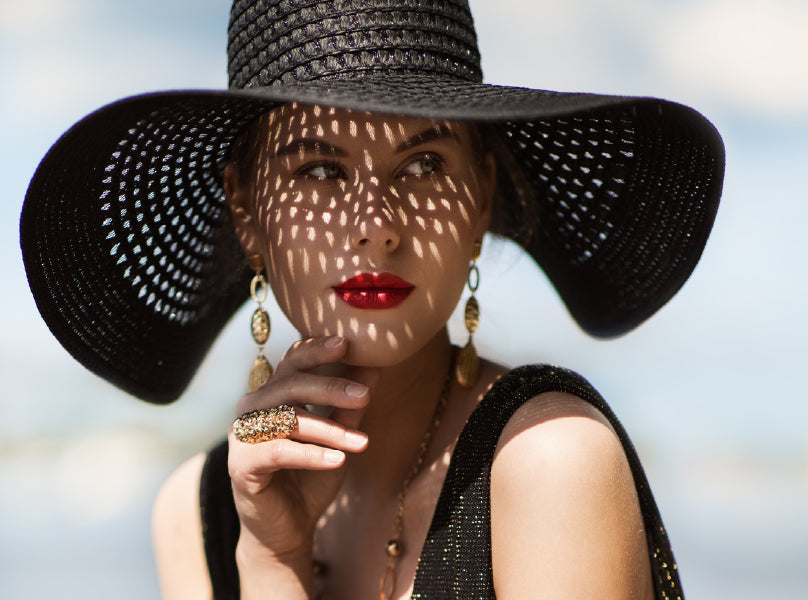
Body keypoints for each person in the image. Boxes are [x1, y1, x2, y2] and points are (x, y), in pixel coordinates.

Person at [20, 1, 724, 598]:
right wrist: (270, 564)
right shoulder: (199, 515)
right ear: (246, 211)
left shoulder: (548, 462)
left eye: (422, 164)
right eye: (321, 169)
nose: (377, 227)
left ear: (479, 200)